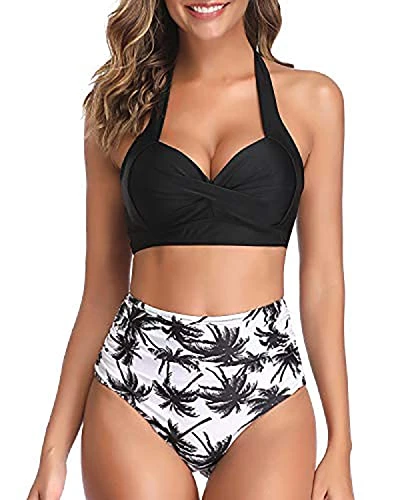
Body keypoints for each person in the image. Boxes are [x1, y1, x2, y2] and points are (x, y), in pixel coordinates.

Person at [28, 1, 355, 499]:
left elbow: (324, 279)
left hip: (265, 388)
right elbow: (100, 291)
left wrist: (341, 443)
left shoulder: (313, 100)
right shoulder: (118, 107)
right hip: (135, 387)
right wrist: (54, 451)